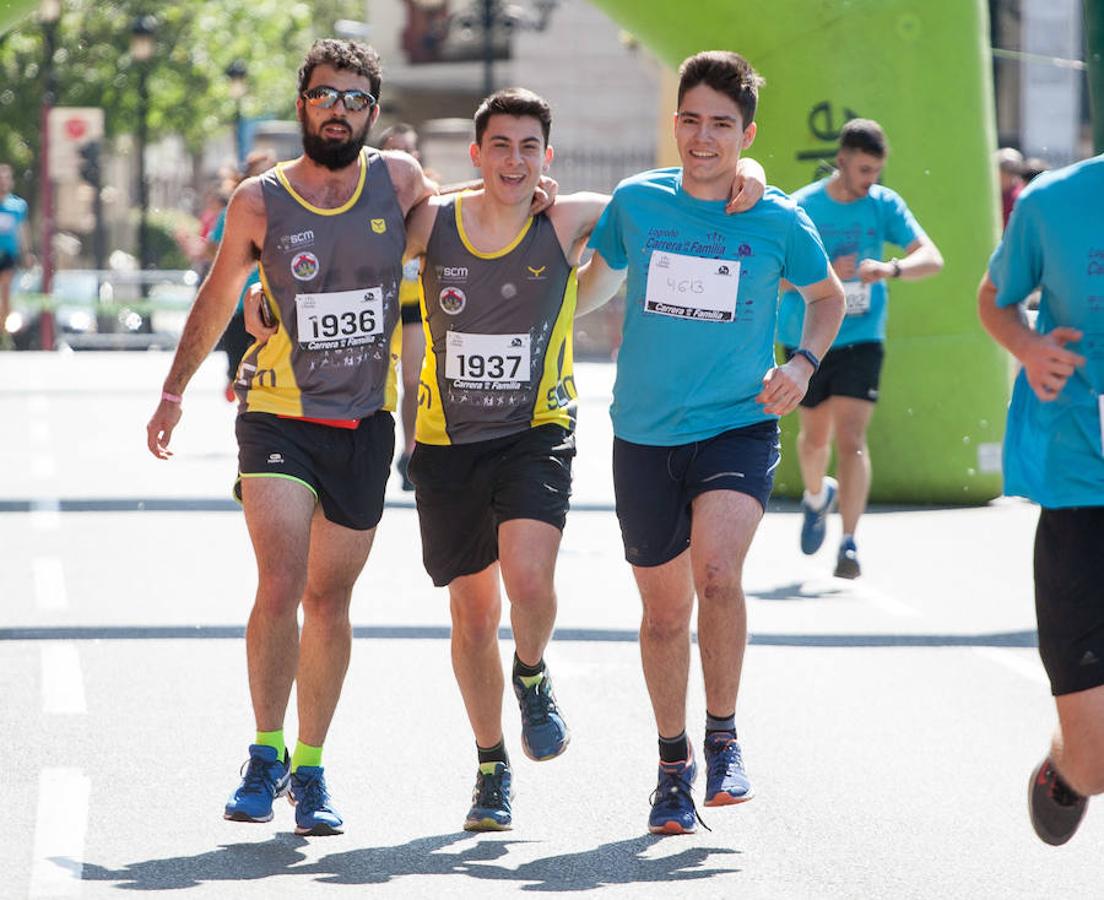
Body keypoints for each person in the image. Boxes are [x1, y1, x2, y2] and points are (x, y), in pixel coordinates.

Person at [251, 87, 765, 832]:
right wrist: (258, 293)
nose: (516, 160)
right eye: (501, 147)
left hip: (536, 429)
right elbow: (337, 246)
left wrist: (754, 179)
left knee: (528, 581)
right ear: (477, 153)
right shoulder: (433, 222)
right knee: (471, 611)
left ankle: (531, 670)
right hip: (446, 441)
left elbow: (677, 192)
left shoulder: (571, 216)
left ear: (547, 157)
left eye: (530, 148)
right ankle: (492, 767)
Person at [145, 38, 440, 837]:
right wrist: (173, 391)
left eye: (353, 99)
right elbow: (218, 294)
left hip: (365, 423)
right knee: (281, 582)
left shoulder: (400, 182)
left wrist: (534, 189)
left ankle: (311, 767)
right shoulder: (259, 200)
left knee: (328, 598)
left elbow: (471, 227)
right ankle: (264, 752)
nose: (336, 110)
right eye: (323, 95)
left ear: (372, 114)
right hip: (277, 411)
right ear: (302, 100)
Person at [578, 50, 845, 834]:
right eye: (691, 120)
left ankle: (724, 737)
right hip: (643, 433)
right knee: (664, 617)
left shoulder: (778, 217)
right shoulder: (637, 202)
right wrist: (552, 274)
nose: (704, 136)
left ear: (745, 133)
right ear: (676, 125)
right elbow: (593, 279)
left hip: (738, 420)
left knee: (719, 575)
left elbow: (825, 300)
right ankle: (672, 765)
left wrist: (803, 361)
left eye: (721, 125)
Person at [977, 152, 1104, 847]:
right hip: (1081, 483)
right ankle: (1066, 768)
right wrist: (1028, 346)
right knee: (1095, 763)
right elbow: (994, 300)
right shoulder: (1054, 202)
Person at [776, 119, 943, 578]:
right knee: (814, 441)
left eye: (877, 171)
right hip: (808, 337)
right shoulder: (803, 206)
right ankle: (816, 497)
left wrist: (891, 269)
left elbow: (932, 258)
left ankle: (849, 543)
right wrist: (826, 272)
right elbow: (774, 277)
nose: (872, 180)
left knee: (851, 440)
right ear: (843, 160)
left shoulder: (883, 205)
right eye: (865, 169)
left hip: (863, 337)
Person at [209, 149, 278, 402]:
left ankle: (254, 410)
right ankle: (235, 385)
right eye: (259, 173)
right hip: (238, 304)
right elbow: (214, 250)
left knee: (264, 368)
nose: (265, 178)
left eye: (270, 171)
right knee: (239, 368)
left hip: (271, 302)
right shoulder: (233, 211)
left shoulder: (288, 211)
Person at [378, 123, 425, 490]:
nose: (402, 157)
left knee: (412, 380)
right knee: (377, 383)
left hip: (414, 307)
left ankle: (410, 452)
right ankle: (376, 447)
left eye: (407, 150)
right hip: (376, 308)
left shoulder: (431, 198)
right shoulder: (365, 199)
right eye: (393, 151)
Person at [0, 164, 31, 350]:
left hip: (8, 256)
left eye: (5, 179)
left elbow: (22, 230)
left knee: (5, 293)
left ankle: (4, 334)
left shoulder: (17, 206)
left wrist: (26, 253)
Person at [996, 146, 1026, 228]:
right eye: (1004, 169)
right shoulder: (989, 195)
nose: (1007, 176)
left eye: (1013, 171)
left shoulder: (1021, 197)